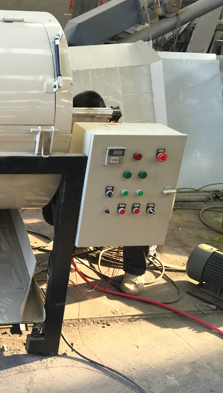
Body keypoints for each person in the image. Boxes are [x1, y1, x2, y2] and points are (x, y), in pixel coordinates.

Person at [42, 90, 149, 295]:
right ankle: (70, 249)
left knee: (138, 210)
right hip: (84, 194)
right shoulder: (67, 137)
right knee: (54, 211)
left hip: (117, 193)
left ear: (105, 118)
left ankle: (135, 270)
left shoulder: (124, 139)